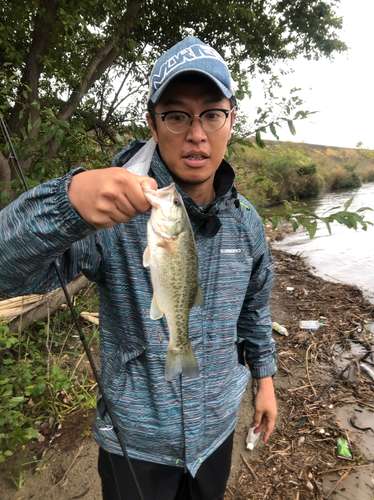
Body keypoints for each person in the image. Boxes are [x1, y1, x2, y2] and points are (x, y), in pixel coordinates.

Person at [0, 36, 277, 500]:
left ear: (231, 118)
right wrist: (67, 203)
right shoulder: (110, 216)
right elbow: (7, 275)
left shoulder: (247, 222)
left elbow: (255, 309)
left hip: (217, 433)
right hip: (135, 445)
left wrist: (264, 381)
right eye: (175, 115)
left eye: (212, 113)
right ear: (152, 123)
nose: (196, 133)